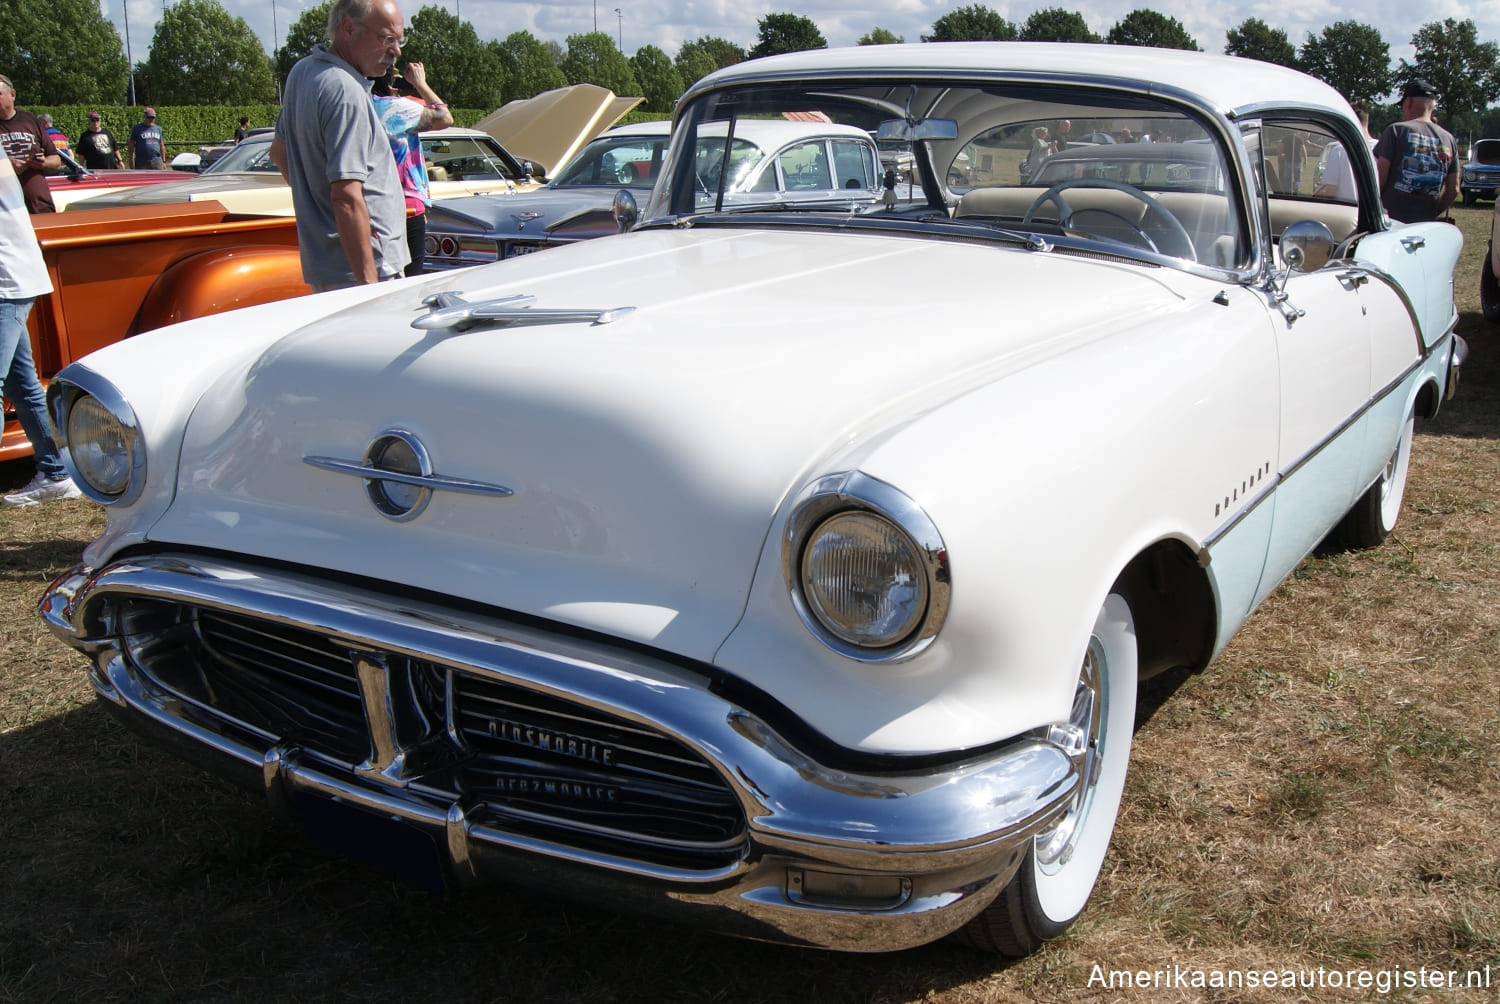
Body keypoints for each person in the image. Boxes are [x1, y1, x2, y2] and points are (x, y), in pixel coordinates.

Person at [270, 0, 410, 290]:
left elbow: (279, 153)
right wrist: (369, 287)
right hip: (367, 270)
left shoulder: (302, 73)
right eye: (387, 39)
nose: (396, 52)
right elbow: (346, 197)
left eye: (399, 40)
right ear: (348, 28)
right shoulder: (346, 90)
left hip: (329, 267)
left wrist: (318, 213)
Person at [0, 158, 82, 507]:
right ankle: (56, 472)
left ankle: (56, 472)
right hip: (14, 273)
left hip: (5, 279)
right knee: (22, 384)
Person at [371, 61, 452, 276]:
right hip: (406, 205)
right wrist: (420, 83)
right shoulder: (397, 107)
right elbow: (445, 117)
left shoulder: (358, 105)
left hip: (370, 204)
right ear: (390, 80)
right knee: (410, 279)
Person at [1374, 79, 1458, 223]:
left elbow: (1379, 178)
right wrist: (1432, 213)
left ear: (1409, 102)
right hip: (1424, 224)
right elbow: (1453, 189)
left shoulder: (1395, 131)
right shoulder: (1449, 139)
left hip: (1391, 221)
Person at [0, 73, 59, 213]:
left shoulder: (30, 120)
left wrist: (43, 163)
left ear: (12, 94)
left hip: (39, 206)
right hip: (6, 213)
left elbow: (55, 159)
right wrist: (7, 167)